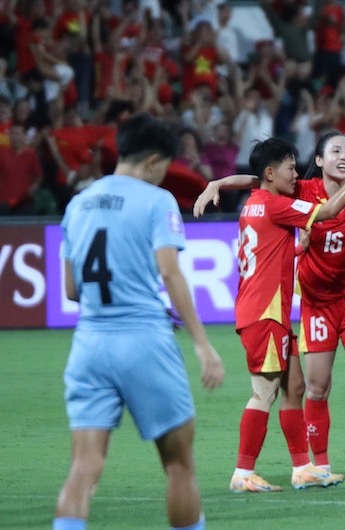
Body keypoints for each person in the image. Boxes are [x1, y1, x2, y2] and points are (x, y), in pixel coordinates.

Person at [54, 113, 225, 530]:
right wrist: (203, 345)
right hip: (144, 342)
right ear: (152, 161)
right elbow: (169, 272)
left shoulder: (78, 203)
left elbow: (72, 290)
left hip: (89, 345)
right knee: (180, 465)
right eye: (165, 165)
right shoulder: (157, 200)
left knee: (84, 465)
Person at [199, 132, 345, 484]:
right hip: (265, 313)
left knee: (294, 387)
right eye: (290, 168)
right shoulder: (279, 204)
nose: (295, 175)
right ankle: (243, 472)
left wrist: (220, 182)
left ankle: (303, 469)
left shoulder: (258, 200)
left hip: (273, 312)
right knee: (263, 393)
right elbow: (328, 210)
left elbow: (259, 191)